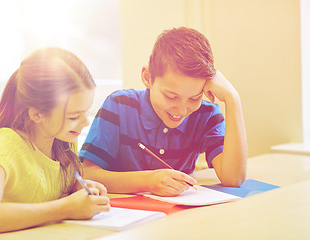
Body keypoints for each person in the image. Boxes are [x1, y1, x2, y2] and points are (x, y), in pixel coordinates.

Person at [79, 27, 247, 197]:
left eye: (194, 98)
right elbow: (87, 174)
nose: (182, 110)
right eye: (171, 97)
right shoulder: (119, 106)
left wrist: (232, 98)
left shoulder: (207, 115)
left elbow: (233, 179)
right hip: (120, 215)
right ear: (147, 78)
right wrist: (148, 181)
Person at [0, 48, 110, 235]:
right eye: (74, 116)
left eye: (86, 111)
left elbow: (51, 188)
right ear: (37, 114)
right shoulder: (7, 145)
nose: (85, 122)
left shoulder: (64, 140)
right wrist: (66, 208)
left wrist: (80, 188)